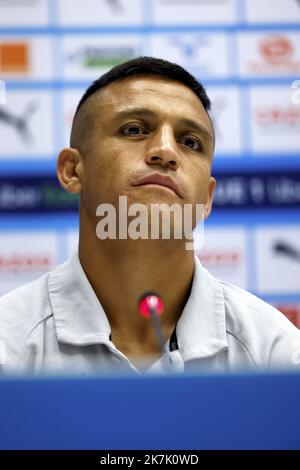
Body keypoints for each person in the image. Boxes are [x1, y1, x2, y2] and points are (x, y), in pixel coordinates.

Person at [0, 57, 300, 376]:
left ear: (207, 198)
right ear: (72, 170)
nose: (166, 151)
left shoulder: (276, 355)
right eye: (134, 129)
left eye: (190, 142)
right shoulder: (8, 345)